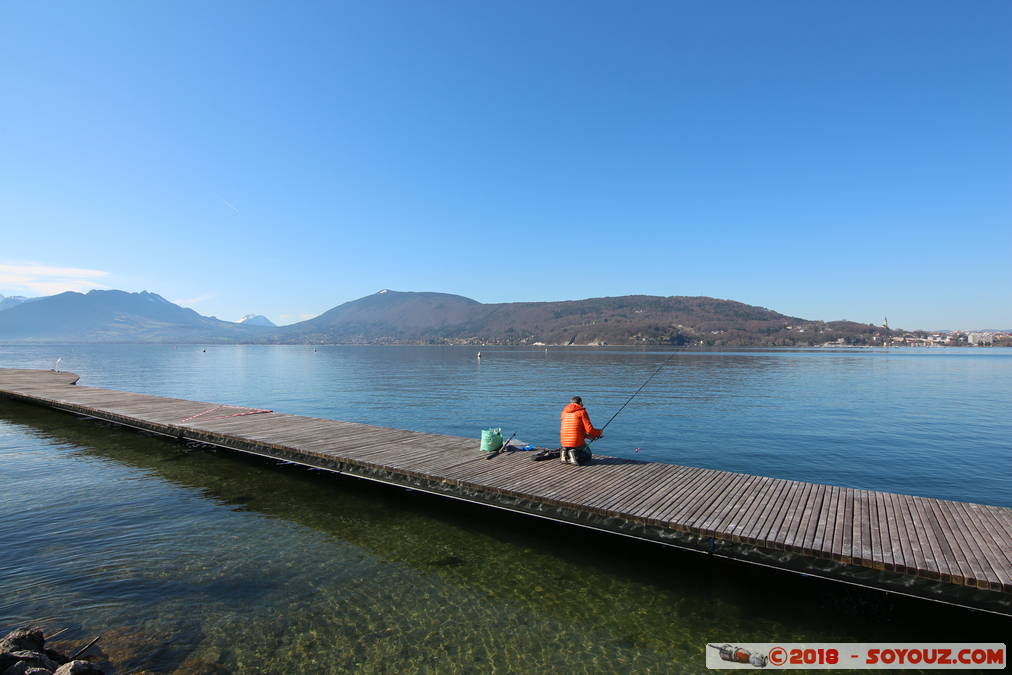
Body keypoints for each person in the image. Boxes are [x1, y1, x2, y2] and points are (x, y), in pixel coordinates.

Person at [559, 396, 602, 465]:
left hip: (564, 442)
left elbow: (575, 429)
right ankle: (574, 454)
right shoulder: (582, 412)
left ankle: (564, 452)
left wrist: (589, 437)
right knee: (588, 455)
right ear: (581, 402)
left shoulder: (564, 412)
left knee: (571, 445)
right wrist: (599, 432)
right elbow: (589, 430)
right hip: (576, 442)